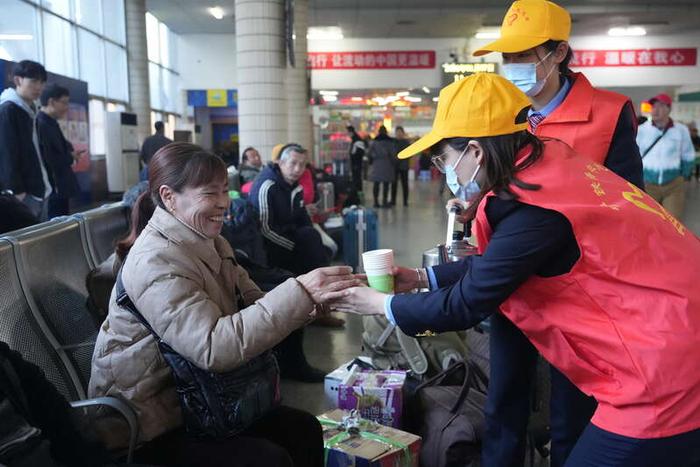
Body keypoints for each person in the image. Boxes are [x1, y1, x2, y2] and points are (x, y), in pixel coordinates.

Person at [329, 73, 700, 467]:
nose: (442, 171)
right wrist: (421, 278)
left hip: (663, 370)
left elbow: (464, 306)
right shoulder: (550, 166)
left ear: (475, 150)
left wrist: (377, 303)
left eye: (443, 158)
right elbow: (505, 262)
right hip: (671, 332)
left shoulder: (535, 208)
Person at [88, 142, 359, 466]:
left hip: (205, 399)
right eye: (209, 194)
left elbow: (255, 302)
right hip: (153, 421)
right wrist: (299, 291)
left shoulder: (211, 241)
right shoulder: (155, 262)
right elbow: (213, 347)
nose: (223, 204)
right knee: (267, 459)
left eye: (223, 192)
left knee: (303, 429)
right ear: (169, 197)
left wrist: (312, 302)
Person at [466, 1, 644, 464]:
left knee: (574, 405)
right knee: (504, 395)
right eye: (508, 57)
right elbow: (496, 183)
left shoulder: (608, 114)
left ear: (559, 51)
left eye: (525, 55)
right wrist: (474, 206)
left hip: (579, 290)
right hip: (513, 280)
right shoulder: (503, 115)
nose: (514, 67)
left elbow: (630, 208)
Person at [249, 143, 331, 275]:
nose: (298, 169)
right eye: (293, 163)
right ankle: (324, 280)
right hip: (270, 246)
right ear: (281, 163)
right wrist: (294, 246)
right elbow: (265, 229)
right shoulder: (267, 185)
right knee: (311, 246)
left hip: (290, 237)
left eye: (302, 164)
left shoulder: (295, 186)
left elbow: (303, 218)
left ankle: (325, 279)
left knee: (313, 238)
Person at [0, 60, 51, 221]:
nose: (39, 87)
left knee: (41, 239)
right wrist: (16, 190)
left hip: (40, 188)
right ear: (18, 80)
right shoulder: (8, 109)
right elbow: (6, 151)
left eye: (42, 82)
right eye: (34, 81)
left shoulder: (31, 110)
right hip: (24, 194)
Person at [637, 93, 695, 219]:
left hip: (673, 184)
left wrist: (683, 175)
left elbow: (688, 154)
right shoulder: (641, 130)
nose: (655, 110)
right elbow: (634, 156)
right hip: (648, 184)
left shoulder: (681, 130)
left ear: (669, 109)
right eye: (653, 106)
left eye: (661, 106)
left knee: (673, 221)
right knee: (649, 220)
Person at [38, 84, 85, 218]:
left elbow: (61, 148)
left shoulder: (51, 123)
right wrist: (69, 157)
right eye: (64, 103)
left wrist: (70, 153)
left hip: (60, 187)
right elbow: (48, 157)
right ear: (51, 102)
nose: (66, 107)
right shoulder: (42, 124)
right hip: (53, 188)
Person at [367, 126, 397, 208]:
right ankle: (384, 202)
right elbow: (393, 155)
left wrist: (373, 158)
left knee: (376, 184)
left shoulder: (374, 141)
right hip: (387, 165)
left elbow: (369, 153)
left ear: (379, 132)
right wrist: (394, 163)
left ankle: (376, 202)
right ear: (386, 132)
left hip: (377, 164)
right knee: (386, 184)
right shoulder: (390, 142)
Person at [391, 126, 411, 206]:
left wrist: (402, 159)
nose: (399, 134)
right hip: (395, 166)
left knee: (405, 184)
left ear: (403, 133)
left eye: (400, 132)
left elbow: (410, 153)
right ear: (395, 133)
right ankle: (393, 201)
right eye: (397, 132)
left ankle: (405, 201)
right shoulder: (393, 142)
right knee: (393, 184)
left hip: (404, 166)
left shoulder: (406, 142)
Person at [348, 126, 367, 192]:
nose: (348, 135)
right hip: (356, 163)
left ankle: (358, 193)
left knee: (357, 179)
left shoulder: (357, 140)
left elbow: (360, 152)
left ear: (351, 132)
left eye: (348, 133)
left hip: (356, 163)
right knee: (356, 178)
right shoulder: (355, 139)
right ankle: (357, 192)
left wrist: (355, 162)